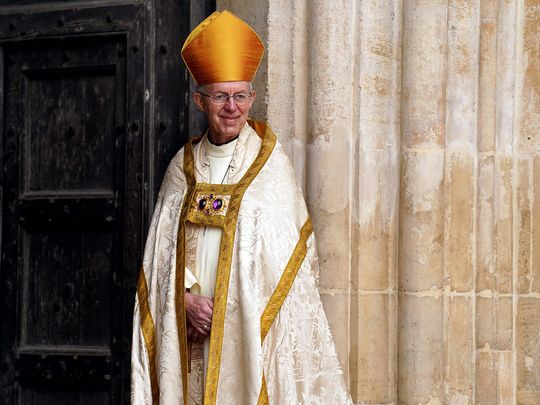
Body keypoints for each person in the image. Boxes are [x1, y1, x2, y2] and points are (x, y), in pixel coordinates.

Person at [131, 10, 352, 405]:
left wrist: (230, 309)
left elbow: (289, 263)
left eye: (239, 96)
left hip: (245, 334)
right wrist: (182, 301)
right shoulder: (180, 169)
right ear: (201, 100)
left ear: (252, 98)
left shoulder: (270, 167)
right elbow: (159, 256)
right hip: (187, 331)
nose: (231, 107)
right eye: (219, 95)